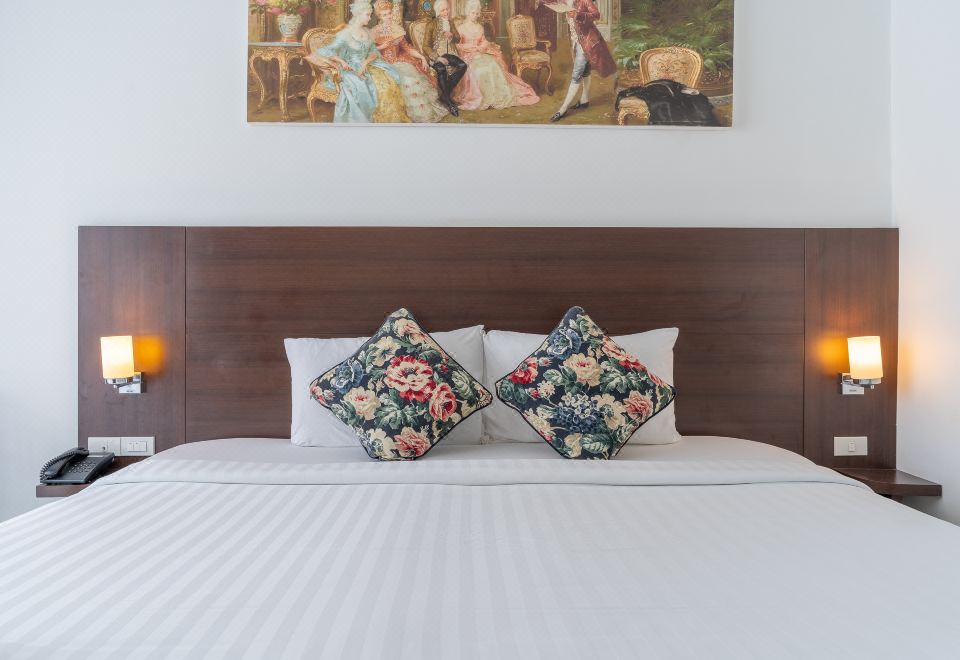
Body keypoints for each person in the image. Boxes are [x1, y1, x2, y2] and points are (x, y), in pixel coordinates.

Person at [307, 0, 410, 123]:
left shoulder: (367, 32)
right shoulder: (346, 33)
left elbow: (373, 52)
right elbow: (329, 51)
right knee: (362, 85)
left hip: (368, 65)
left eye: (370, 15)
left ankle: (384, 121)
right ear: (358, 14)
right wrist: (342, 61)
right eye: (368, 15)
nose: (370, 18)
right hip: (350, 68)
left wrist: (365, 63)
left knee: (388, 81)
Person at [453, 0, 540, 111]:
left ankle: (495, 96)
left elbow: (484, 41)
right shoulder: (461, 28)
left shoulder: (479, 27)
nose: (475, 15)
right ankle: (481, 97)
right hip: (468, 55)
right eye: (473, 13)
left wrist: (482, 46)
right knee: (479, 70)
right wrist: (473, 47)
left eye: (477, 13)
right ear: (468, 12)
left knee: (492, 65)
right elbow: (458, 45)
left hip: (481, 53)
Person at [371, 0, 449, 122]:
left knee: (412, 78)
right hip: (383, 63)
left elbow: (406, 47)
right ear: (379, 16)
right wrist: (382, 47)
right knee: (403, 81)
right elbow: (369, 51)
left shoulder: (397, 29)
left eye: (389, 13)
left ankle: (420, 114)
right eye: (384, 15)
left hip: (399, 60)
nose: (388, 16)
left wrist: (422, 57)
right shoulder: (375, 31)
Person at [546, 0, 616, 122]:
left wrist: (578, 14)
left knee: (576, 76)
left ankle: (562, 109)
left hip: (587, 42)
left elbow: (596, 15)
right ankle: (584, 100)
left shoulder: (584, 1)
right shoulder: (564, 2)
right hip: (576, 41)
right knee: (586, 71)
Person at [422, 0, 468, 116]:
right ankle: (449, 102)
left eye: (447, 9)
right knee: (441, 68)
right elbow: (425, 46)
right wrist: (437, 58)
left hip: (450, 53)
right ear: (438, 11)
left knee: (462, 65)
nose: (446, 12)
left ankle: (444, 94)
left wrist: (452, 35)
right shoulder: (431, 24)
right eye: (443, 10)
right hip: (436, 54)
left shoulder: (450, 22)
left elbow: (458, 39)